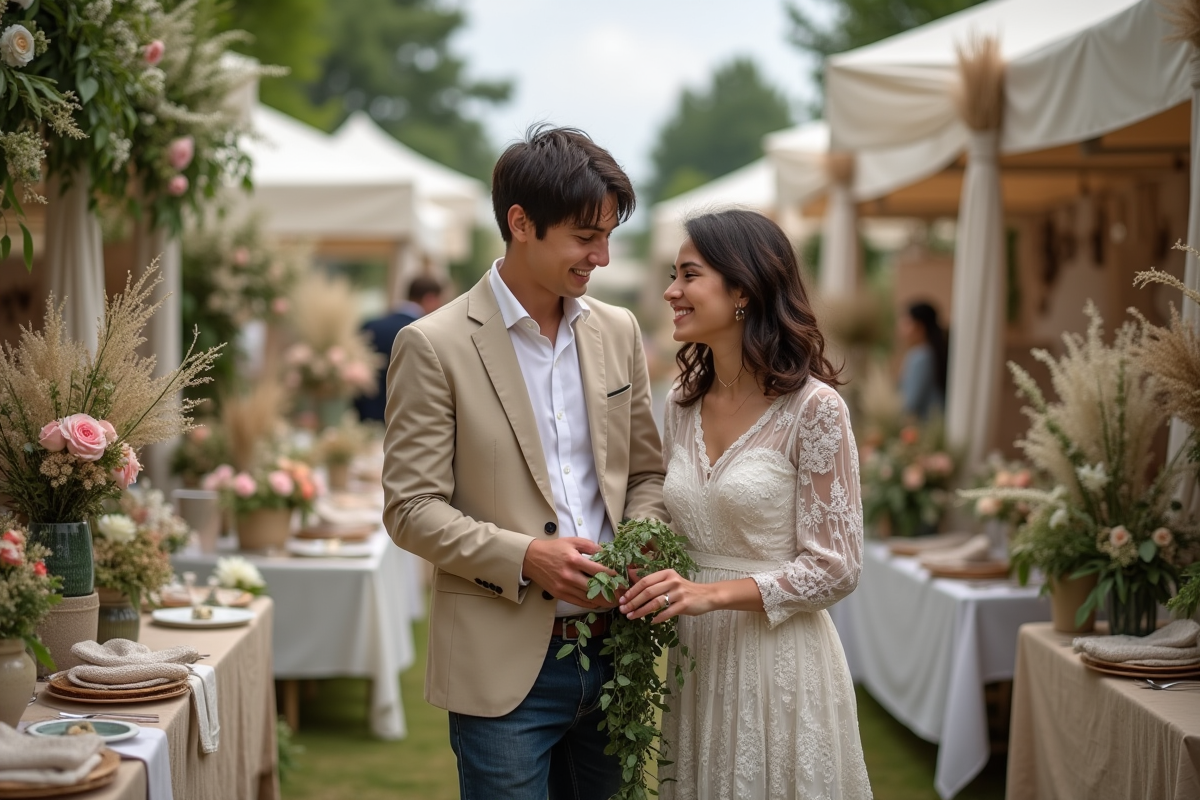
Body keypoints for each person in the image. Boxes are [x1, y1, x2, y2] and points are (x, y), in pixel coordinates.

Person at [381, 125, 668, 800]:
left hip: (616, 652)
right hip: (499, 666)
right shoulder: (431, 345)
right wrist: (526, 557)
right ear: (520, 223)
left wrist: (640, 538)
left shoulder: (620, 330)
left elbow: (646, 474)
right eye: (585, 236)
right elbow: (410, 509)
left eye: (608, 237)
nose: (601, 257)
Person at [618, 209, 871, 799]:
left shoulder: (815, 410)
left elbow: (837, 566)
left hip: (780, 661)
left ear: (743, 290)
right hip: (698, 661)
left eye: (689, 275)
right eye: (674, 276)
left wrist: (710, 595)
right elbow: (670, 509)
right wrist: (641, 550)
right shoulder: (681, 403)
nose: (671, 291)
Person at [354, 276, 444, 422]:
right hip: (402, 419)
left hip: (365, 415)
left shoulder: (371, 325)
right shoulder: (425, 333)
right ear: (430, 299)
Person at [897, 300, 948, 422]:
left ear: (920, 327)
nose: (902, 330)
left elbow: (910, 404)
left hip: (925, 425)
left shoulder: (921, 357)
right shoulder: (932, 352)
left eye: (907, 323)